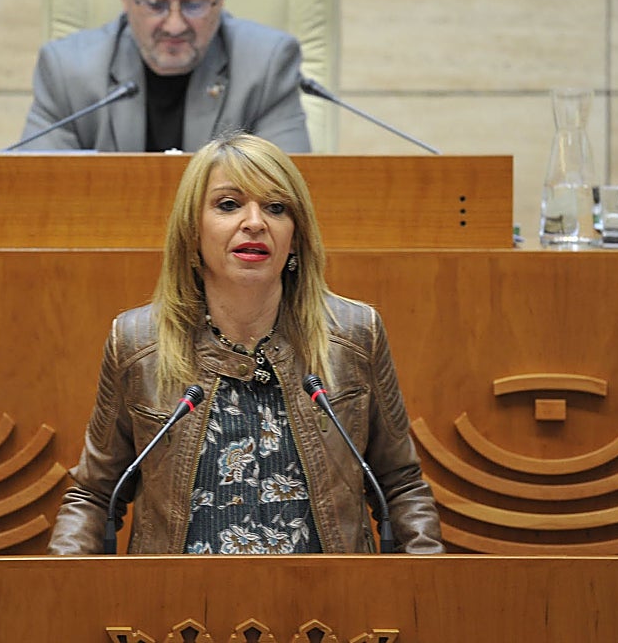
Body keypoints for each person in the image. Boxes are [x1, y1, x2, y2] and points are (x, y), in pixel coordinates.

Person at [48, 133, 443, 554]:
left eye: (276, 208)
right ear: (192, 230)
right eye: (228, 205)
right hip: (176, 608)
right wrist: (70, 595)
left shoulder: (353, 335)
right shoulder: (138, 343)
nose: (255, 222)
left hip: (329, 607)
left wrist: (415, 596)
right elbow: (93, 496)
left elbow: (400, 485)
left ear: (295, 235)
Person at [16, 0, 312, 153]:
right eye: (154, 2)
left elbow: (284, 198)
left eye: (194, 2)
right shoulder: (66, 71)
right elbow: (38, 197)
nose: (174, 25)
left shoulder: (268, 65)